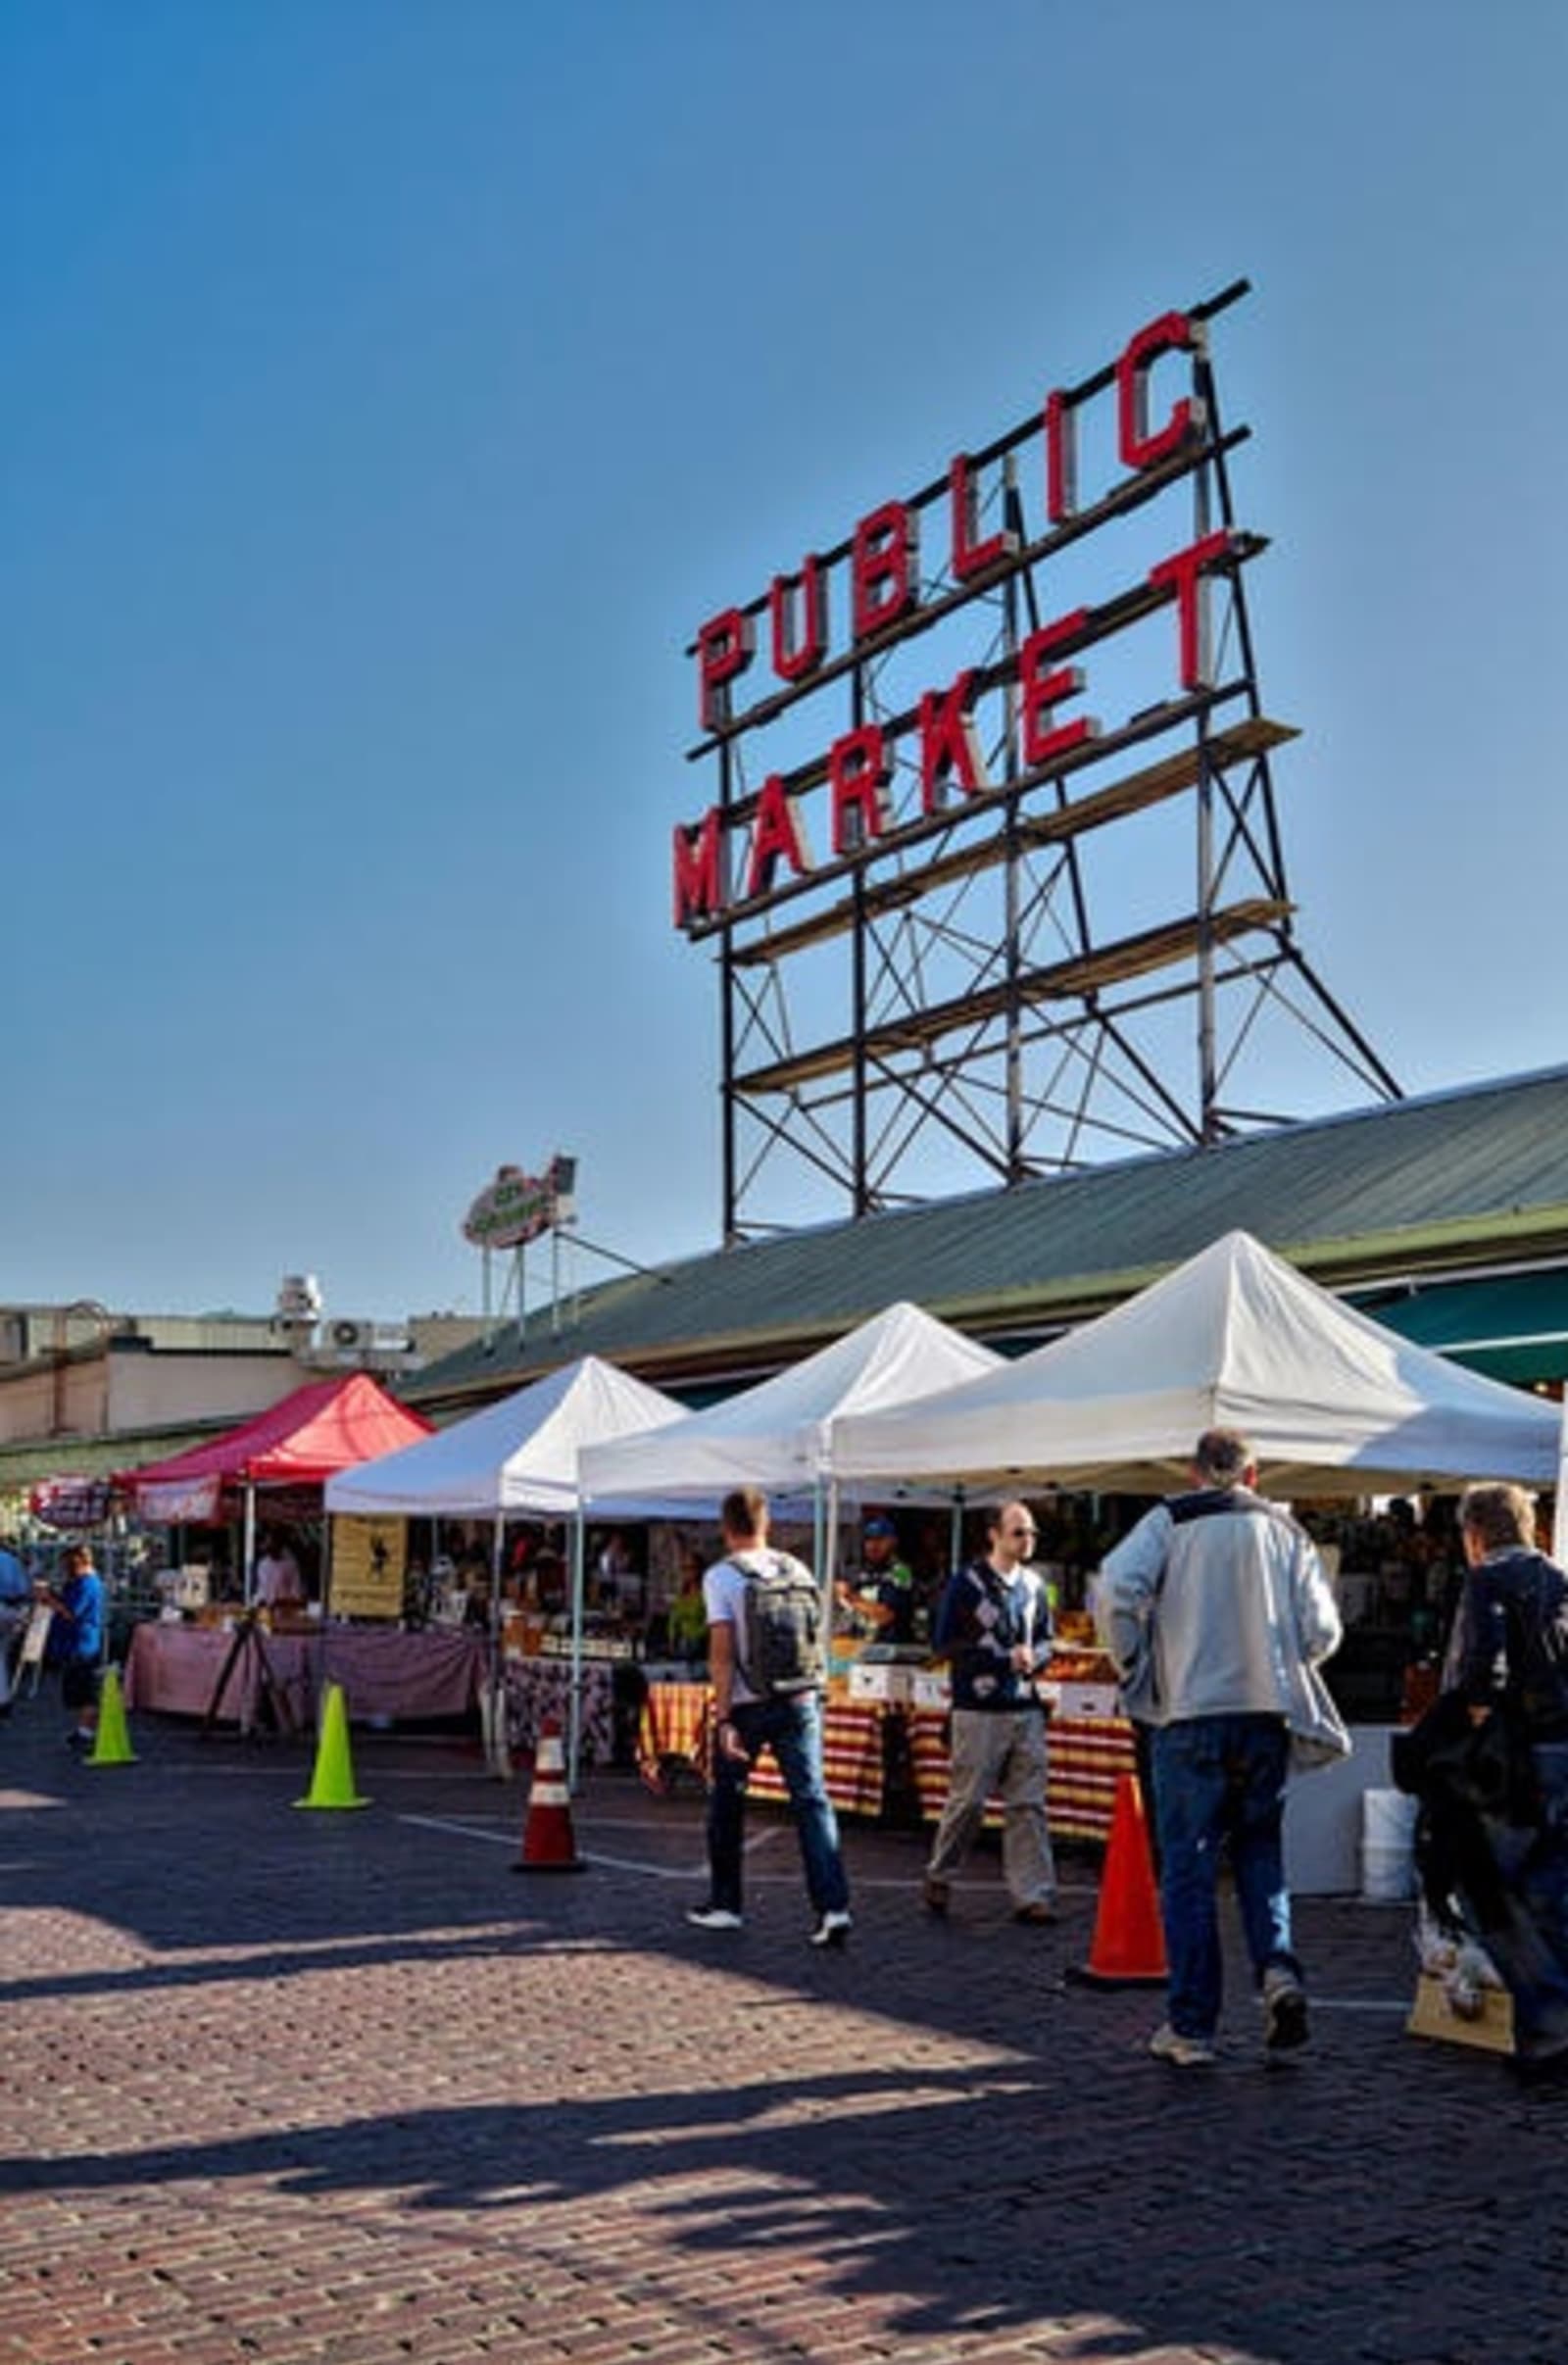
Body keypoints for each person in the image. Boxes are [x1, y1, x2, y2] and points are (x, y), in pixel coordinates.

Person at [1096, 1427, 1345, 2067]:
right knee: (1261, 1852)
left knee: (1189, 1868)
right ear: (1254, 1474)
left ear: (1193, 1471)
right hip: (1265, 1713)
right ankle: (1278, 1970)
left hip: (1189, 1714)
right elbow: (1323, 1629)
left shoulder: (1169, 1520)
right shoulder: (1284, 1531)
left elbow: (1115, 1589)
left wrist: (1136, 1663)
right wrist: (1284, 1660)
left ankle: (1192, 2025)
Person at [1426, 1482, 1568, 2076]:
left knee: (1489, 1896)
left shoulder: (1486, 1582)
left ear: (1475, 1535)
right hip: (1563, 1749)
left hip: (1512, 1761)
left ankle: (1549, 2026)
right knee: (1549, 1894)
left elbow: (1482, 1673)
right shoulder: (1558, 1581)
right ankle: (1549, 2026)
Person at [686, 1486, 852, 1946]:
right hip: (800, 1699)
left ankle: (726, 1904)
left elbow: (721, 1652)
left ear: (725, 1529)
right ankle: (833, 1906)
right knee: (812, 1800)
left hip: (747, 1703)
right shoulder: (795, 1567)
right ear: (767, 1524)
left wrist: (723, 1719)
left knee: (727, 1800)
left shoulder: (722, 1577)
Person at [922, 1501, 1057, 1924]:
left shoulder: (1035, 1586)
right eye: (1018, 1532)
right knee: (968, 1803)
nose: (1027, 1540)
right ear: (994, 1535)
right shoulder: (967, 1584)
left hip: (1025, 1706)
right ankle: (940, 1874)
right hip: (978, 1709)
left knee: (1028, 1805)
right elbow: (943, 1645)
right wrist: (996, 1658)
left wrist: (1034, 1657)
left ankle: (1032, 1894)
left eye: (1031, 1532)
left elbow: (1048, 1641)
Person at [37, 1543, 106, 1750]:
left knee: (85, 1691)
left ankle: (86, 1733)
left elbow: (71, 1612)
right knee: (78, 1691)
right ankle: (83, 1731)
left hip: (81, 1644)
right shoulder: (80, 1582)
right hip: (75, 1643)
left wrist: (49, 1599)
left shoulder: (87, 1584)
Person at [834, 1514, 920, 1646]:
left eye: (880, 1540)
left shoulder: (901, 1573)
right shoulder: (858, 1571)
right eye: (869, 1540)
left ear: (893, 1541)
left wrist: (850, 1596)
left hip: (892, 1650)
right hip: (860, 1647)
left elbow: (886, 1616)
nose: (873, 1545)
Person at [0, 1537, 30, 1710]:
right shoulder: (12, 1561)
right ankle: (3, 1697)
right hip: (12, 1610)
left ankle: (3, 1698)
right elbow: (24, 1589)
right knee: (3, 1654)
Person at [254, 1531, 305, 1611]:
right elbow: (262, 1589)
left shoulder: (290, 1565)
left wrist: (282, 1602)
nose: (270, 1550)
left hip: (285, 1610)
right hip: (266, 1610)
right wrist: (260, 1600)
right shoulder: (263, 1564)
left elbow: (296, 1592)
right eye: (268, 1546)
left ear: (280, 1546)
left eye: (273, 1546)